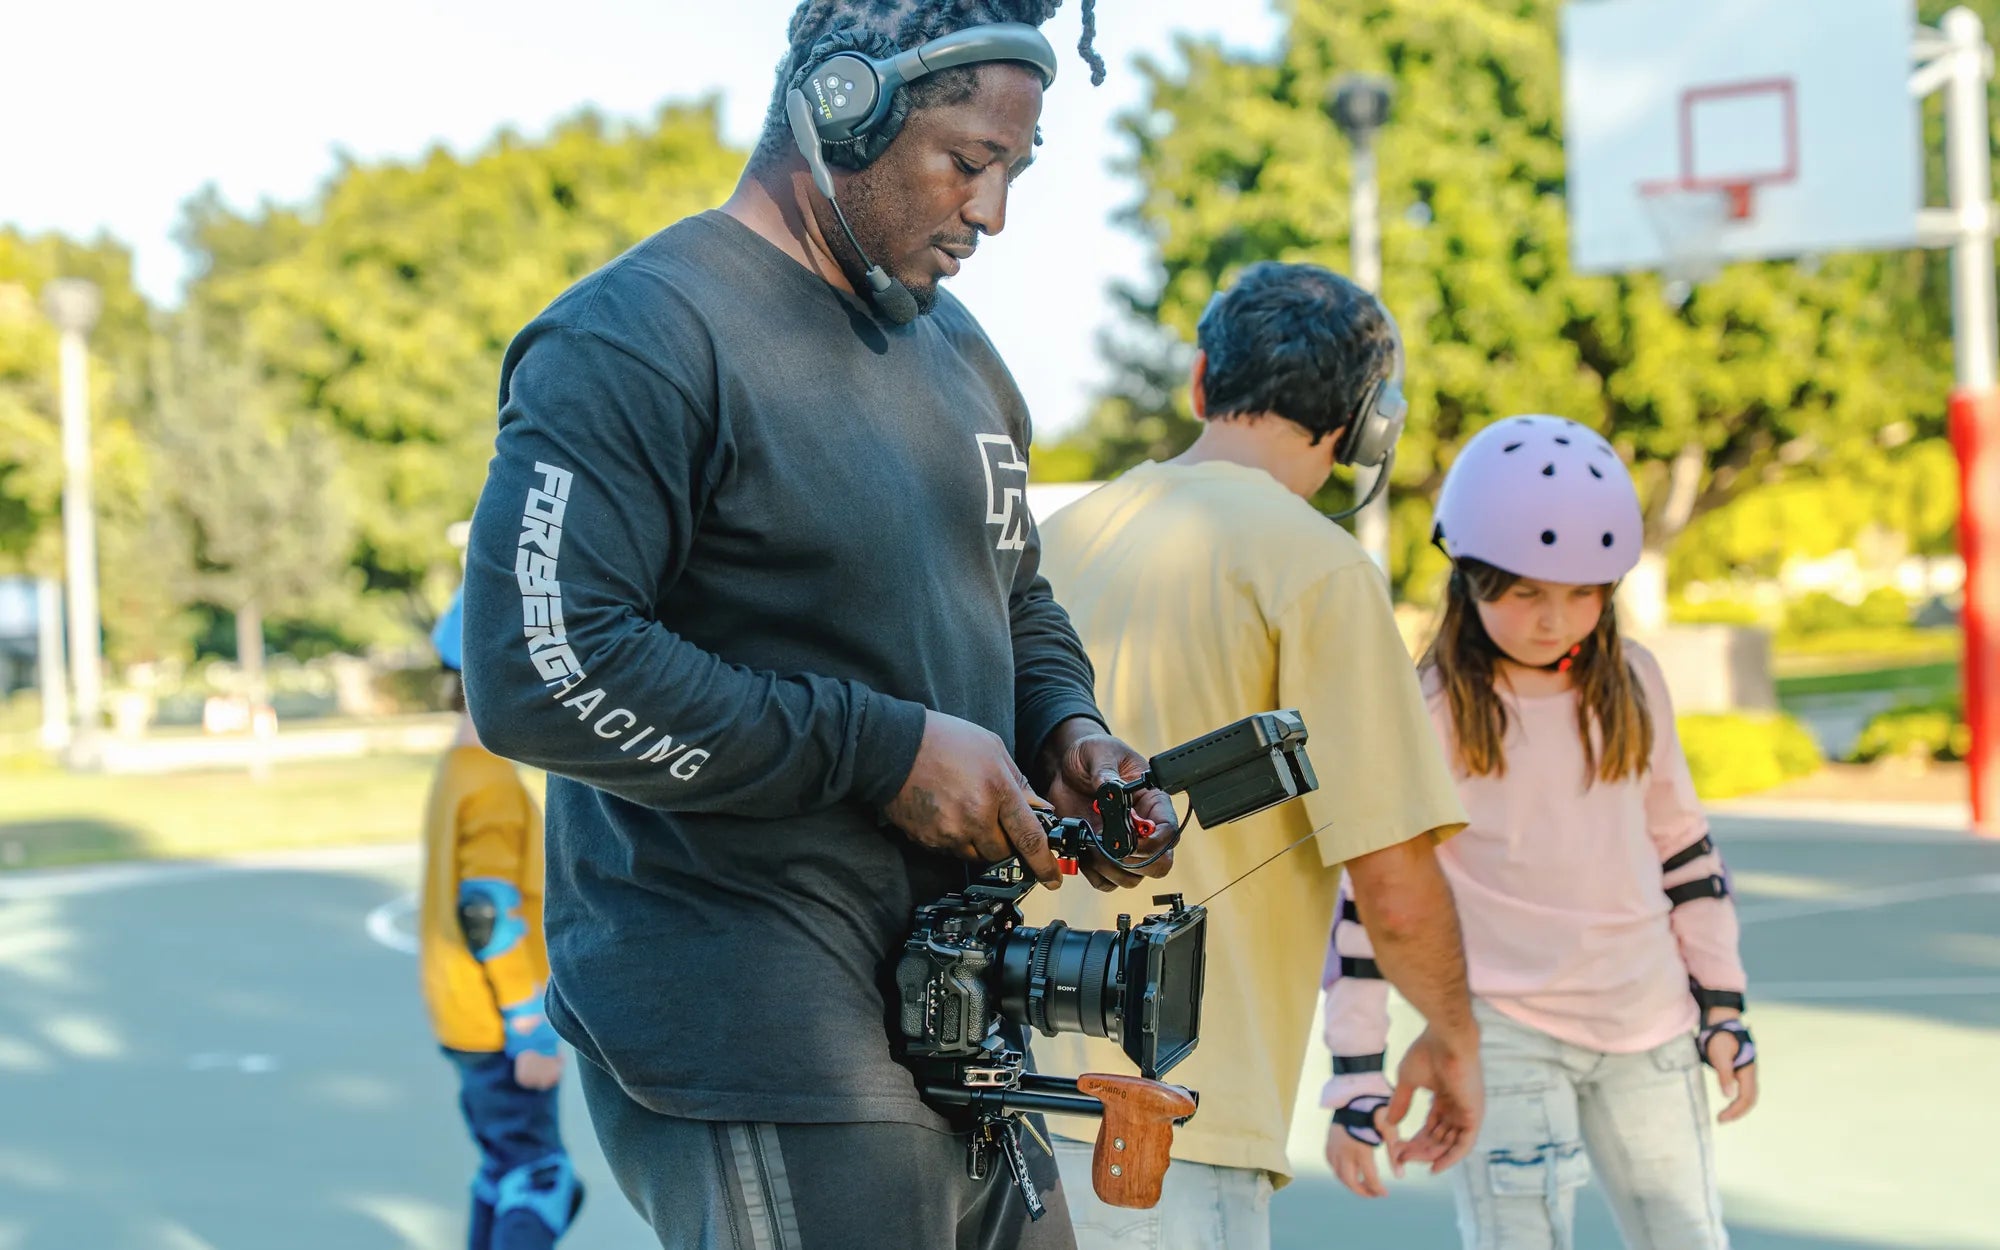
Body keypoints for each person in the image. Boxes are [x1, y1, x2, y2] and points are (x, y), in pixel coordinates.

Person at [459, 4, 1182, 1248]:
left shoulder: (962, 355)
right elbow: (537, 665)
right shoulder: (637, 336)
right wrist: (883, 750)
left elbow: (1014, 594)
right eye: (968, 162)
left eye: (1016, 169)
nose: (992, 213)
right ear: (841, 106)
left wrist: (1064, 728)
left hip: (963, 1013)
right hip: (759, 1020)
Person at [1026, 261, 1484, 1250]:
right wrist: (1455, 1040)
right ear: (1368, 426)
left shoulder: (1051, 541)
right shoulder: (1318, 569)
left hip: (996, 1104)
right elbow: (1395, 888)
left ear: (1201, 381)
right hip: (1164, 1125)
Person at [1323, 415, 1760, 1249]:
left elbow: (1686, 853)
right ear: (1471, 580)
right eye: (1526, 593)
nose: (1555, 619)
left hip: (1650, 1024)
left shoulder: (1634, 681)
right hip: (1503, 1036)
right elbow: (1371, 906)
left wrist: (1723, 1009)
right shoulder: (1431, 709)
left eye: (1583, 593)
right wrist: (1355, 1078)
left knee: (1686, 1236)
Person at [418, 588, 584, 1249]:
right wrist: (527, 1026)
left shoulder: (458, 769)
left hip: (459, 1014)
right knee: (542, 1177)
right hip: (498, 1021)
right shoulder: (492, 782)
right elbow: (485, 910)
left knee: (502, 1167)